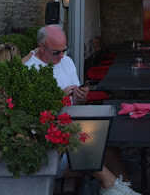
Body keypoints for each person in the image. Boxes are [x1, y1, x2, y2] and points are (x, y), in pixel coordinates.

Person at [25, 25, 140, 195]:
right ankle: (115, 188)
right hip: (53, 145)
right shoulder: (29, 69)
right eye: (56, 52)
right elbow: (32, 116)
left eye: (64, 50)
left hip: (75, 131)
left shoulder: (66, 61)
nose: (62, 56)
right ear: (41, 47)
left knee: (111, 151)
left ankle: (122, 189)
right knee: (91, 149)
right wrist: (57, 99)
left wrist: (80, 97)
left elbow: (79, 104)